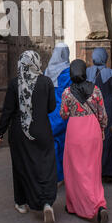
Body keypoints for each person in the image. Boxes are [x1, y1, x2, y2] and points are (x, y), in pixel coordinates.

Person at [0, 50, 57, 223]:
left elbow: (7, 111)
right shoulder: (46, 82)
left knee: (21, 166)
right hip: (43, 131)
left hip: (20, 133)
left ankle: (21, 203)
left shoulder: (15, 84)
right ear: (36, 62)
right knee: (44, 165)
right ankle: (46, 203)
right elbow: (51, 107)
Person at [60, 59, 109, 223]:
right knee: (93, 170)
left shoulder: (67, 93)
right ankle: (99, 205)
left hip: (75, 132)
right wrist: (102, 129)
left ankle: (73, 205)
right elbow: (102, 114)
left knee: (74, 170)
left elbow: (63, 115)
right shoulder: (95, 90)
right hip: (92, 130)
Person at [86, 47, 112, 181]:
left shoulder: (88, 72)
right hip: (108, 108)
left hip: (91, 108)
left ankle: (93, 170)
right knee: (108, 138)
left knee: (92, 139)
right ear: (104, 57)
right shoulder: (110, 73)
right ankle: (107, 171)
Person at [44, 43, 72, 184]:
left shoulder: (47, 71)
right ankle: (61, 175)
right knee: (63, 143)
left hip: (49, 112)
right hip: (64, 112)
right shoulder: (68, 72)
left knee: (51, 143)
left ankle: (50, 174)